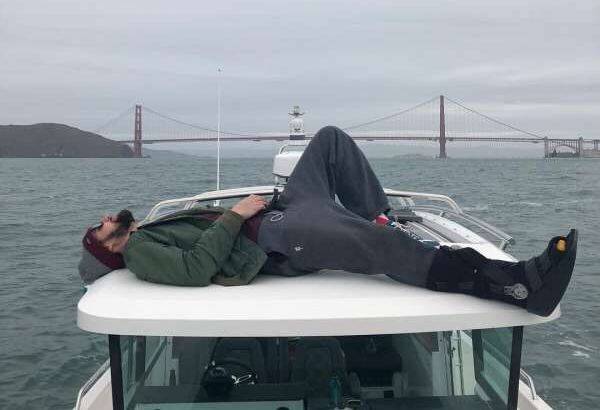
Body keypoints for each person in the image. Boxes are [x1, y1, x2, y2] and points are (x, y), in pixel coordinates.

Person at [78, 126, 577, 317]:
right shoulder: (139, 252)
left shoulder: (144, 230)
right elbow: (193, 270)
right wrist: (236, 213)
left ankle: (380, 216)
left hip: (280, 210)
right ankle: (514, 285)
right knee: (380, 248)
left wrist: (262, 206)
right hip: (276, 239)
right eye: (99, 229)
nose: (103, 219)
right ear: (110, 248)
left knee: (330, 141)